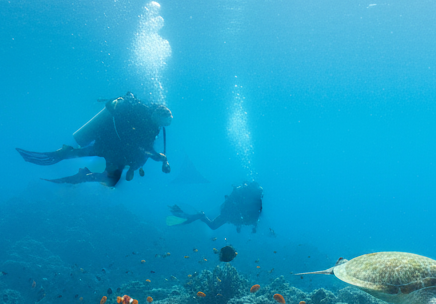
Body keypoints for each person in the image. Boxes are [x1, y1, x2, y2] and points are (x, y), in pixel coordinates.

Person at [16, 92, 172, 186]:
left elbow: (142, 146)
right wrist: (156, 156)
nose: (162, 126)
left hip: (116, 151)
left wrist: (158, 158)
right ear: (156, 116)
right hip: (111, 146)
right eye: (162, 122)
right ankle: (64, 160)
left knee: (109, 178)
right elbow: (137, 144)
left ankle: (77, 171)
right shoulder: (140, 118)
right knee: (89, 160)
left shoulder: (153, 126)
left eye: (164, 124)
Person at [167, 181, 263, 233]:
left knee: (213, 224)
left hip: (229, 213)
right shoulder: (254, 201)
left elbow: (253, 215)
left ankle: (201, 216)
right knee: (213, 226)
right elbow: (249, 214)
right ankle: (201, 216)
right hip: (229, 213)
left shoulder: (252, 199)